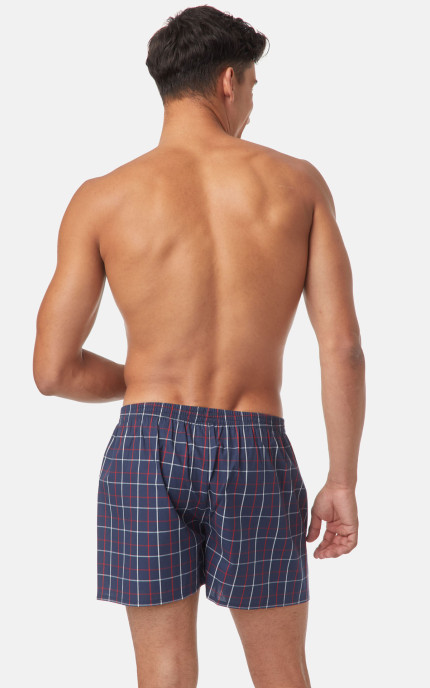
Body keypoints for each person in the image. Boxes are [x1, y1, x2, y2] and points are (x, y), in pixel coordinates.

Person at [33, 5, 365, 688]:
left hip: (145, 448)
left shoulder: (102, 198)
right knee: (281, 672)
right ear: (227, 81)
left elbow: (53, 370)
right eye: (253, 88)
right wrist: (341, 480)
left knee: (163, 673)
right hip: (255, 443)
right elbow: (341, 347)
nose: (251, 107)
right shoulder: (298, 184)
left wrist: (144, 381)